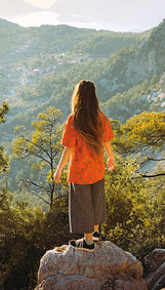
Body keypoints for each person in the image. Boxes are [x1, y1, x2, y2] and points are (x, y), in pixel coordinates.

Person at [53, 80, 116, 252]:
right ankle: (95, 233)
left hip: (80, 171)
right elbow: (106, 140)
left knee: (83, 204)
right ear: (94, 97)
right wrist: (111, 158)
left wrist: (59, 170)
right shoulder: (100, 117)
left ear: (77, 97)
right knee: (97, 200)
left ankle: (87, 242)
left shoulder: (74, 120)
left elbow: (69, 148)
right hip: (97, 167)